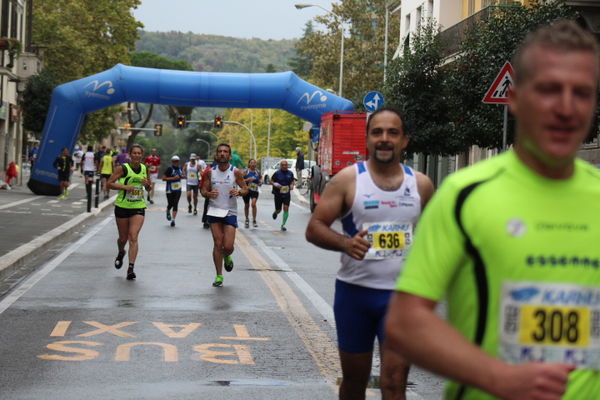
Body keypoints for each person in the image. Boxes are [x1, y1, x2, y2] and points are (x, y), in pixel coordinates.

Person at [385, 21, 600, 400]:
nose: (566, 108)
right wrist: (498, 377)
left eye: (581, 93)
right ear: (514, 99)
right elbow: (406, 323)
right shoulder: (464, 195)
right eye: (550, 90)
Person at [305, 107, 434, 400]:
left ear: (405, 141)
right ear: (367, 139)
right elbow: (315, 227)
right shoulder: (346, 181)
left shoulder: (422, 185)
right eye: (377, 132)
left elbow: (435, 238)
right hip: (355, 296)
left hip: (403, 298)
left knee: (394, 382)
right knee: (354, 382)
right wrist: (345, 243)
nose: (385, 139)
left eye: (393, 133)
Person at [200, 144, 248, 287]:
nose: (222, 154)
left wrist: (239, 192)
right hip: (214, 210)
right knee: (217, 243)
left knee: (227, 246)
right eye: (220, 151)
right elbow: (203, 190)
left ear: (229, 156)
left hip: (229, 212)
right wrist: (208, 194)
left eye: (225, 152)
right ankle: (219, 275)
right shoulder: (210, 172)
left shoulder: (235, 172)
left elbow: (245, 188)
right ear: (216, 155)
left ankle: (227, 255)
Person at [108, 144, 151, 280]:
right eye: (135, 153)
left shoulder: (144, 168)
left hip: (138, 206)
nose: (137, 155)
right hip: (122, 206)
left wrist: (147, 185)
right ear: (130, 155)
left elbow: (148, 188)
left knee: (133, 237)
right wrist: (125, 187)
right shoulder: (123, 168)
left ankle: (130, 268)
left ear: (142, 155)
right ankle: (121, 252)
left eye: (139, 153)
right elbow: (109, 183)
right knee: (123, 238)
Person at [270, 159, 295, 231]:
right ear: (280, 166)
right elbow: (271, 180)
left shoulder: (290, 173)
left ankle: (283, 225)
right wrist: (275, 184)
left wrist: (291, 185)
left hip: (286, 194)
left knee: (286, 208)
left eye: (285, 165)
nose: (284, 166)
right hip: (278, 194)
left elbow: (292, 181)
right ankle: (276, 212)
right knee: (279, 210)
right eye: (283, 165)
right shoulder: (277, 173)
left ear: (287, 166)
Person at [162, 155, 183, 227]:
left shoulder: (180, 168)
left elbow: (182, 175)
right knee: (170, 203)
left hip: (178, 189)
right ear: (172, 162)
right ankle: (168, 210)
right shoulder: (169, 169)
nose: (175, 163)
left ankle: (173, 220)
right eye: (174, 161)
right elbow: (163, 178)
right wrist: (173, 178)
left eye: (177, 161)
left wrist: (182, 176)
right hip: (169, 190)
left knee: (176, 203)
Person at [242, 158, 262, 228]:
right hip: (246, 190)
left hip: (255, 190)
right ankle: (247, 219)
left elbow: (260, 178)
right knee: (247, 205)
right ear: (249, 164)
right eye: (252, 163)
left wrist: (260, 182)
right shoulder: (246, 171)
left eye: (254, 163)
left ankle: (254, 220)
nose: (253, 164)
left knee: (253, 204)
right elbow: (240, 180)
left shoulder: (257, 171)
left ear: (256, 164)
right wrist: (247, 180)